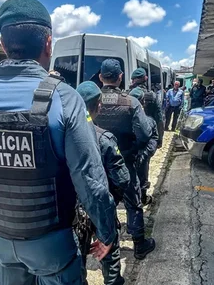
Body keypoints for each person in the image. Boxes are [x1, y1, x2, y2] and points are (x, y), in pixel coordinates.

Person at [0, 0, 117, 285]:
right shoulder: (64, 99)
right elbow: (91, 180)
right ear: (48, 43)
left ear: (3, 44)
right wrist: (106, 232)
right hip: (52, 244)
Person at [94, 59, 156, 260]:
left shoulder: (89, 100)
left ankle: (103, 241)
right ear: (120, 77)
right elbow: (145, 134)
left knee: (101, 201)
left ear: (101, 77)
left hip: (96, 163)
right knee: (133, 202)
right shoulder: (131, 102)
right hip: (125, 162)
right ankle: (139, 244)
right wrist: (133, 151)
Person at [76, 81, 130, 285]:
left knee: (77, 256)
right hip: (100, 205)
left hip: (74, 212)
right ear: (99, 105)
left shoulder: (62, 134)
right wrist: (110, 201)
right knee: (109, 248)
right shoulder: (104, 138)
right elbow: (122, 179)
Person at [129, 87, 159, 206]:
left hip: (140, 155)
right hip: (131, 155)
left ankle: (142, 198)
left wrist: (143, 154)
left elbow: (153, 140)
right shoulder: (148, 120)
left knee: (141, 180)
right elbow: (154, 140)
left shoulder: (149, 121)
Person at [129, 68, 164, 149]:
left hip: (130, 136)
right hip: (147, 134)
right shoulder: (153, 96)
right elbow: (159, 119)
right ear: (145, 79)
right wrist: (160, 139)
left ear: (133, 80)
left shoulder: (127, 95)